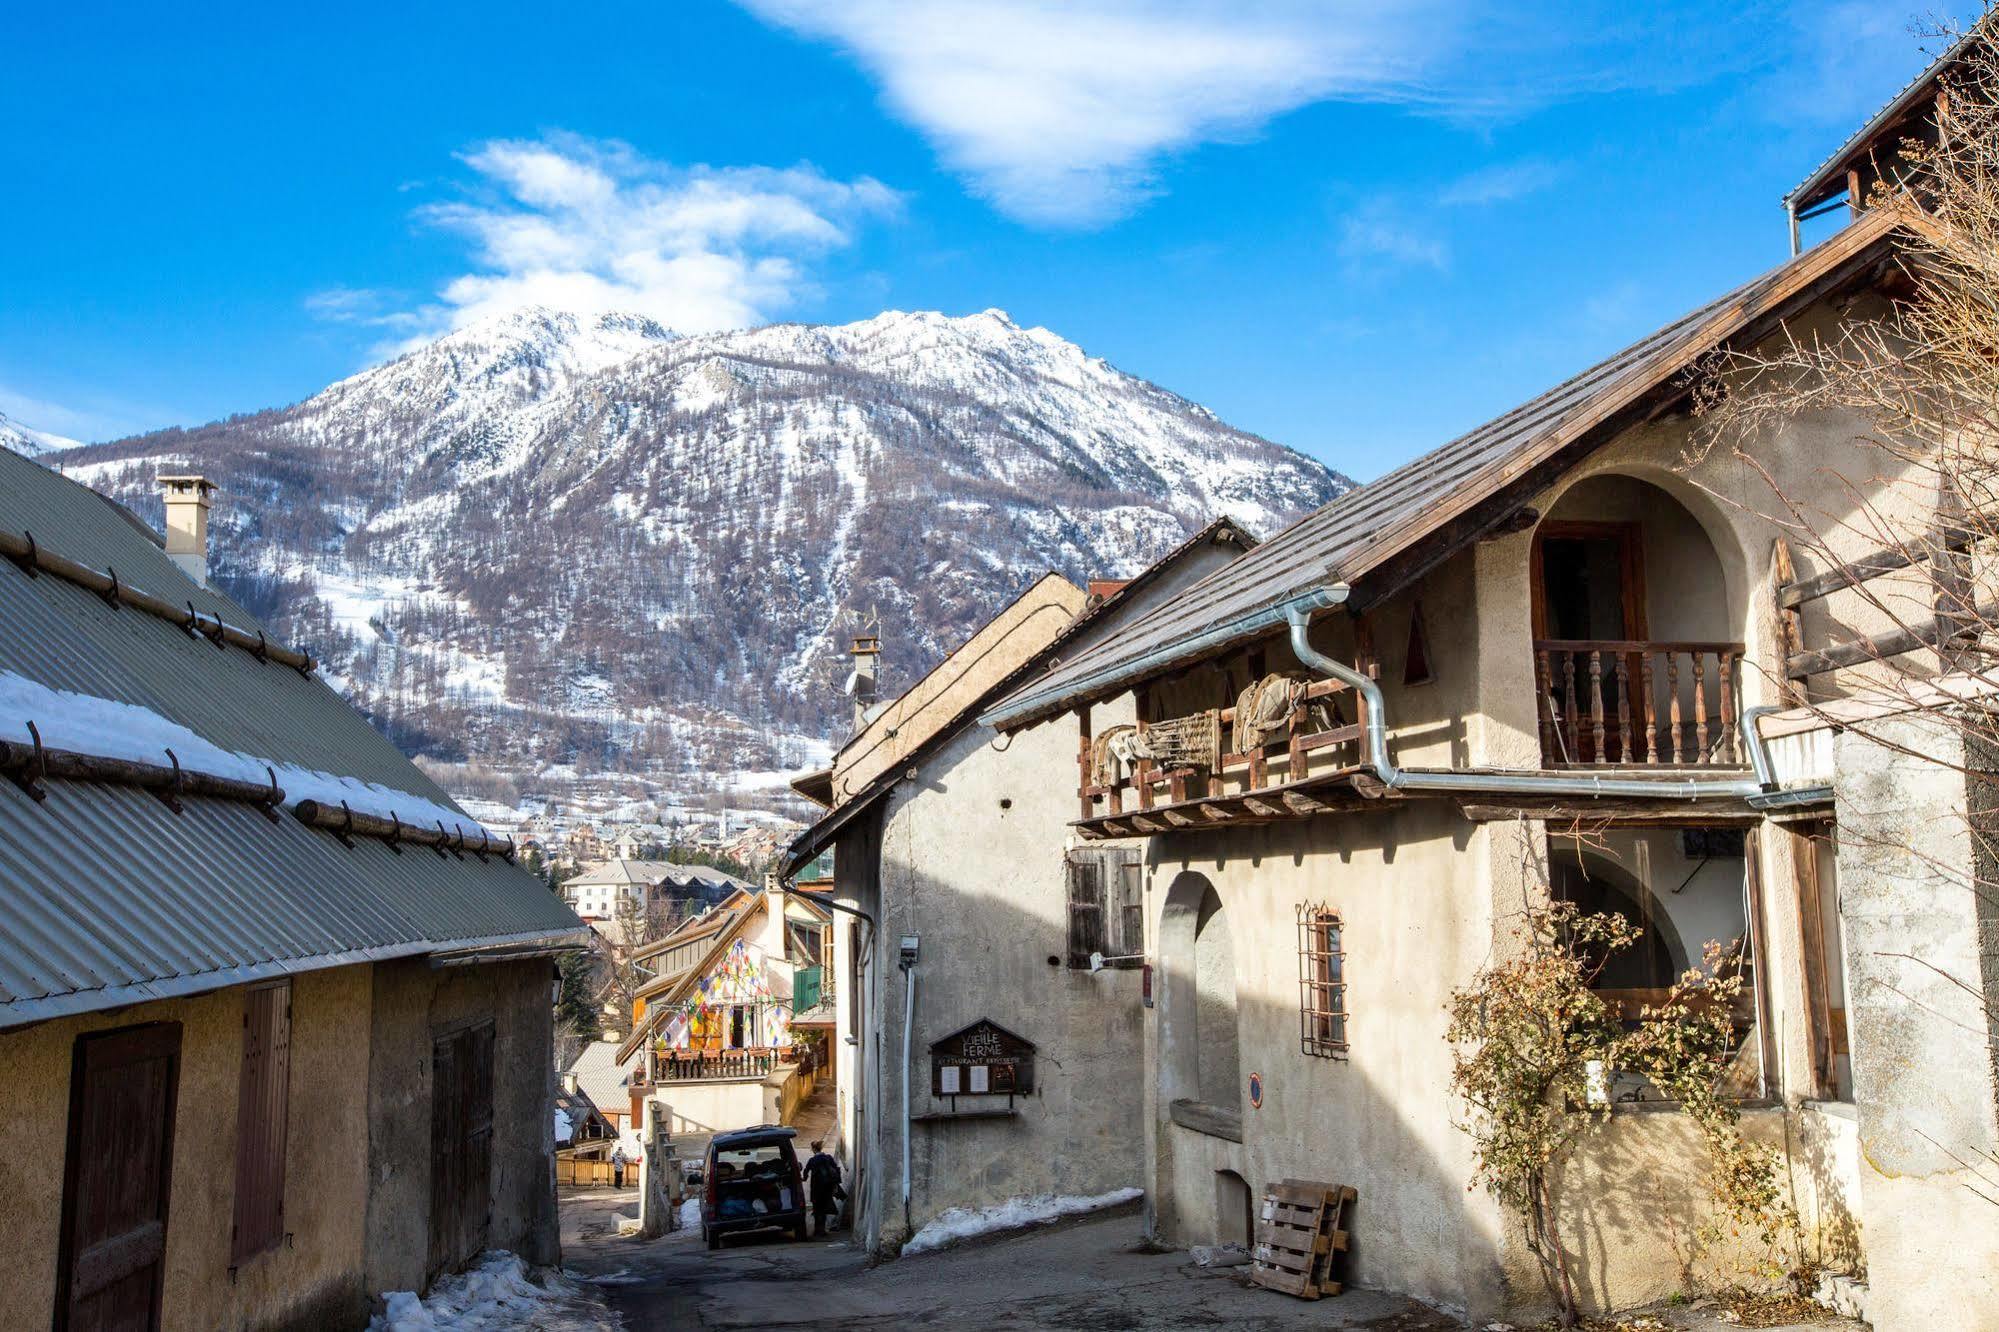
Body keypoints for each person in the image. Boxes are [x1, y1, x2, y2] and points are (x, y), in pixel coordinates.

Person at [802, 1140, 845, 1238]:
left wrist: (804, 1179)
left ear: (813, 1149)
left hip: (816, 1189)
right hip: (827, 1188)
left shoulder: (812, 1161)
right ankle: (823, 1230)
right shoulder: (828, 1158)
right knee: (824, 1209)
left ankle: (817, 1230)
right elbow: (836, 1169)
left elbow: (806, 1172)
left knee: (817, 1210)